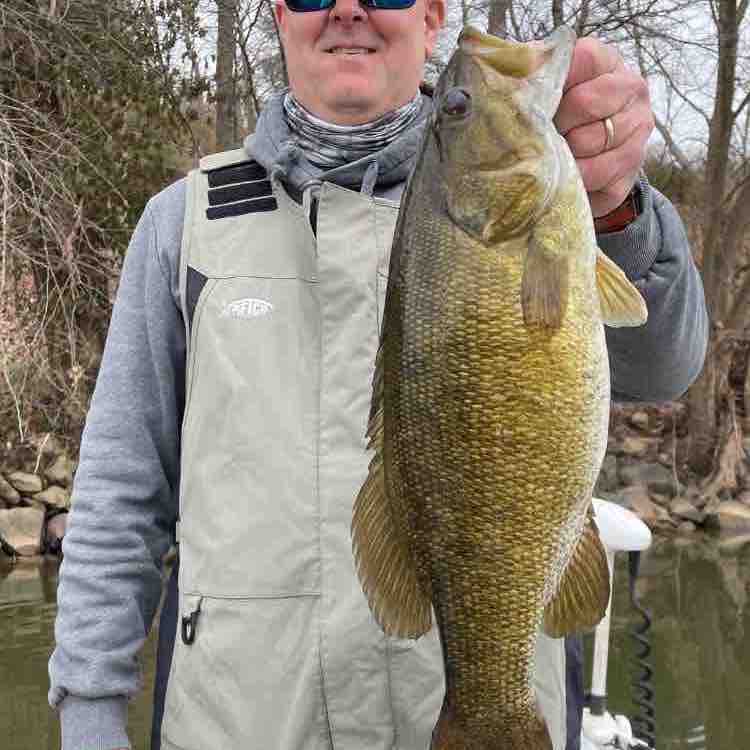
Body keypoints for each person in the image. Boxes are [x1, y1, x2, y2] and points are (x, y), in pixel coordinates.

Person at [48, 1, 708, 749]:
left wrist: (617, 209)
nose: (348, 9)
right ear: (279, 16)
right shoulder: (182, 224)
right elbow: (117, 498)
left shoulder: (557, 207)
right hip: (236, 724)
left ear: (432, 18)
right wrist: (90, 711)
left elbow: (664, 365)